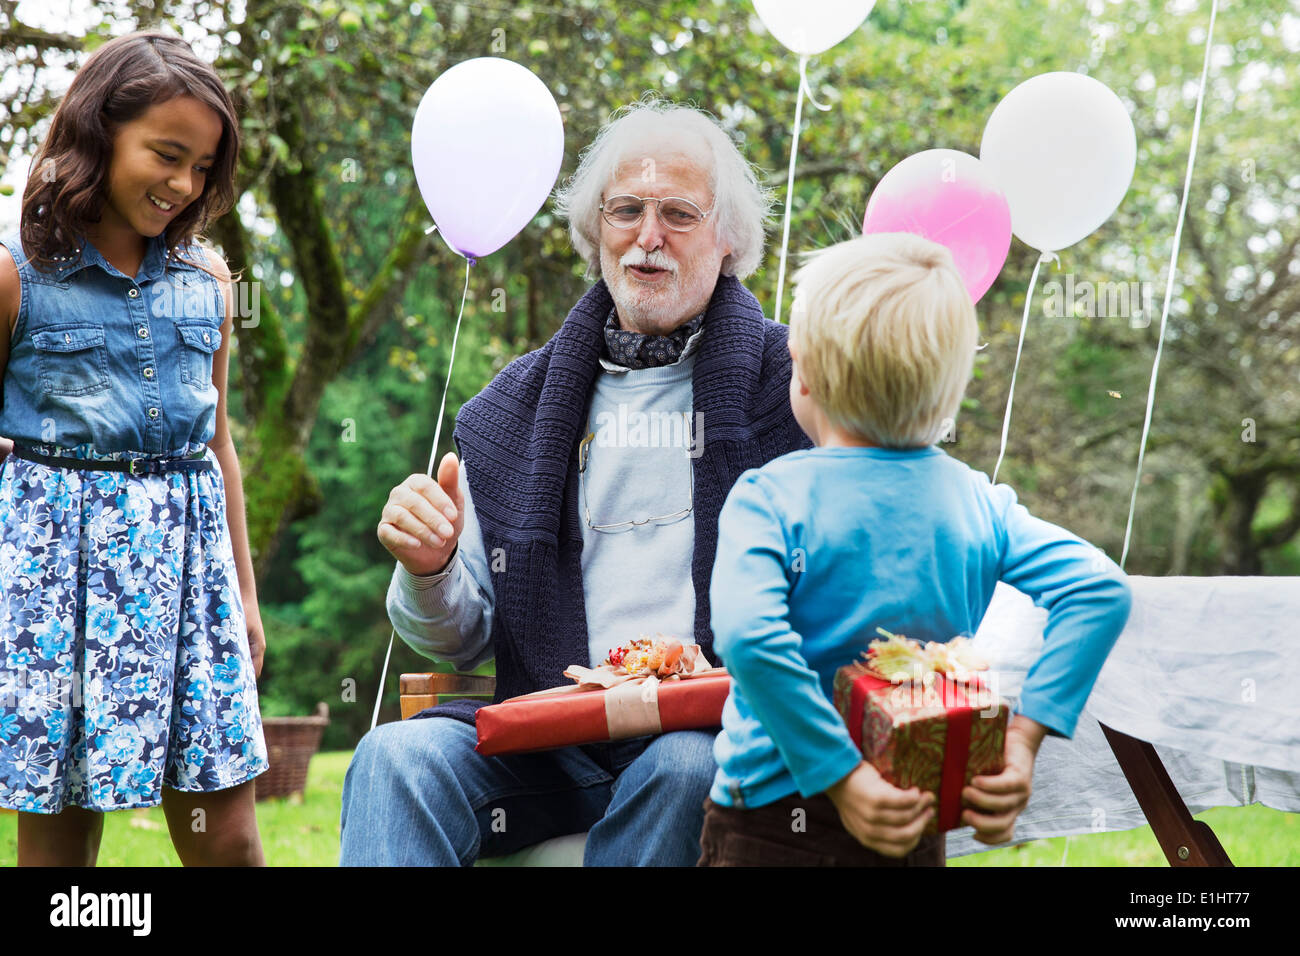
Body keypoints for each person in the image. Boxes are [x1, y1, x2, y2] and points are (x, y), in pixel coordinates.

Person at [340, 98, 811, 866]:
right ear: (597, 232)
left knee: (687, 766)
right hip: (548, 742)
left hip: (714, 733)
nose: (647, 237)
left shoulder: (794, 385)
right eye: (626, 210)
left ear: (727, 239)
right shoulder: (510, 412)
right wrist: (426, 570)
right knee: (395, 760)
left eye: (679, 214)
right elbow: (458, 639)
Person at [697, 233, 1133, 866]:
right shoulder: (979, 502)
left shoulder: (768, 498)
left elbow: (748, 639)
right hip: (916, 804)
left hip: (770, 821)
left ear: (807, 374)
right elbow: (1100, 589)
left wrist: (843, 778)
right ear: (949, 387)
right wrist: (1023, 739)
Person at [0, 31, 268, 865]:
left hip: (191, 575)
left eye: (202, 167)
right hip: (56, 582)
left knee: (226, 833)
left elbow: (219, 447)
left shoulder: (211, 281)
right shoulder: (15, 277)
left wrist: (247, 600)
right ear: (98, 133)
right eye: (167, 154)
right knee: (60, 835)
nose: (183, 184)